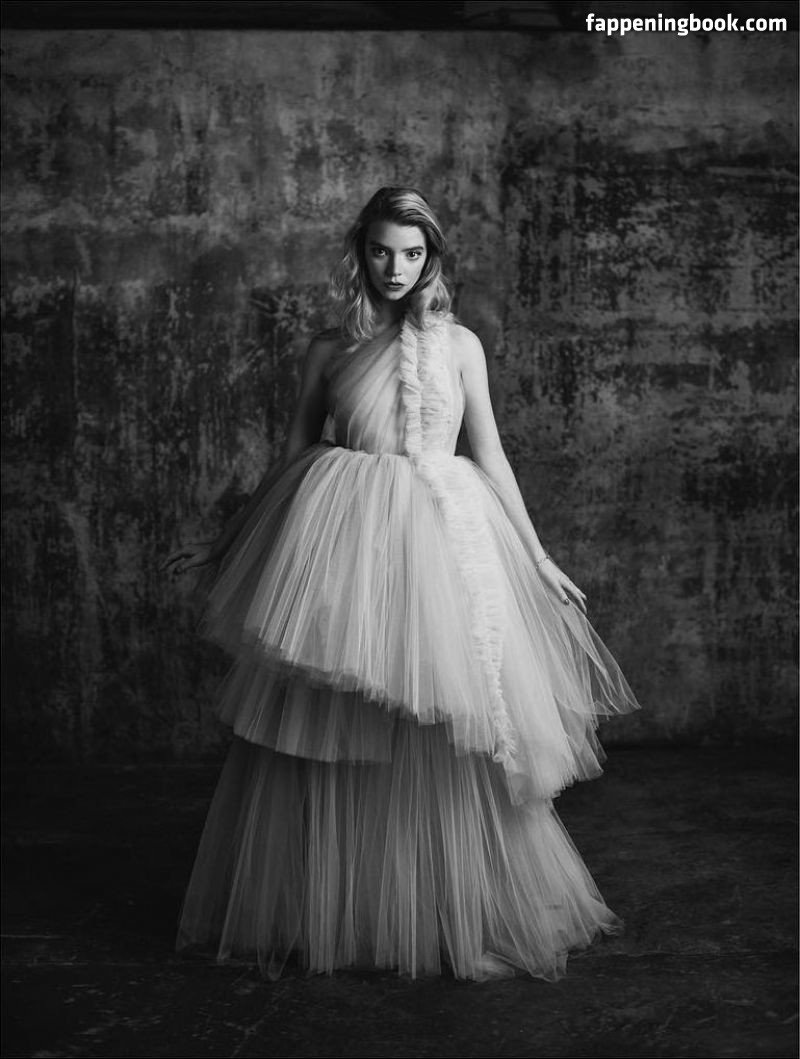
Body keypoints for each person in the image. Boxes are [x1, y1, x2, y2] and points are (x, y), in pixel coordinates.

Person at [164, 186, 640, 981]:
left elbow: (489, 454)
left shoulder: (460, 345)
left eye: (413, 254)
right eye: (382, 252)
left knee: (445, 724)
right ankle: (342, 911)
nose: (396, 268)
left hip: (443, 543)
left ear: (432, 259)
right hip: (345, 541)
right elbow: (292, 455)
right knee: (338, 722)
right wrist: (227, 543)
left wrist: (538, 555)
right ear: (361, 253)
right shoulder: (330, 347)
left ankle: (446, 911)